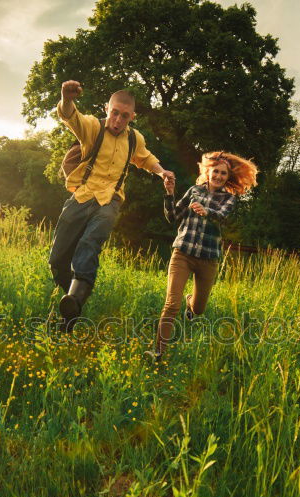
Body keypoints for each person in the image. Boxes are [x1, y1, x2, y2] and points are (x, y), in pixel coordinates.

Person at [50, 80, 175, 328]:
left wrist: (161, 172)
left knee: (90, 243)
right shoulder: (92, 128)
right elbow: (70, 116)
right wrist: (66, 98)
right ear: (108, 109)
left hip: (110, 200)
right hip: (82, 196)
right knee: (57, 259)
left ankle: (74, 299)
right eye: (115, 112)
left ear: (132, 117)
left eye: (125, 116)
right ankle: (72, 304)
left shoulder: (134, 139)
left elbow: (146, 159)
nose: (118, 119)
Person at [145, 151, 258, 361]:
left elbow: (223, 217)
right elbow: (173, 217)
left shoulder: (229, 199)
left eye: (223, 173)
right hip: (183, 253)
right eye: (216, 171)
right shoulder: (193, 191)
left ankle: (191, 303)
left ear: (227, 177)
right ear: (208, 172)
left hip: (208, 258)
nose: (219, 176)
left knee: (198, 309)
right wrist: (169, 193)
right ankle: (158, 352)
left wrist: (207, 211)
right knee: (171, 305)